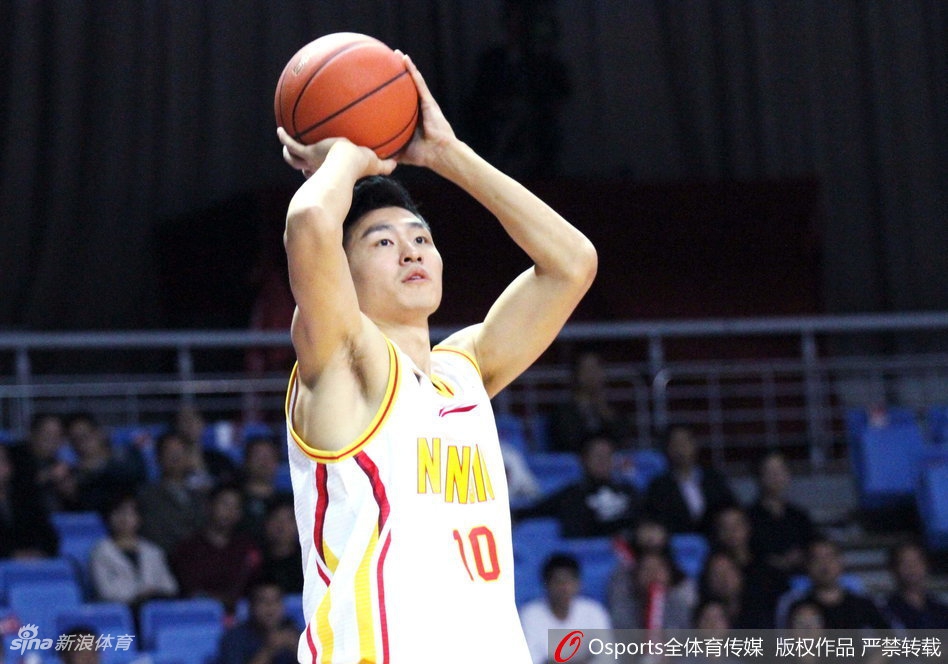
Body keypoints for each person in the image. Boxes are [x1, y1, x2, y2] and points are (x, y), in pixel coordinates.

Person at [277, 50, 596, 663]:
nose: (411, 251)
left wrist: (449, 154)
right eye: (382, 241)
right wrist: (348, 153)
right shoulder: (345, 363)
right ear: (342, 273)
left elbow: (572, 263)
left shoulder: (463, 373)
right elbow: (312, 221)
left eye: (421, 237)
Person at [514, 434, 640, 538]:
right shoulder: (570, 494)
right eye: (597, 456)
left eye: (608, 455)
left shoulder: (629, 491)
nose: (603, 460)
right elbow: (533, 510)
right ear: (584, 459)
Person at [171, 483, 261, 614]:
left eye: (235, 507)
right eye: (225, 504)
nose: (229, 512)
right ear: (209, 506)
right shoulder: (188, 548)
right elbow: (189, 590)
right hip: (199, 614)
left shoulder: (248, 548)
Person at [88, 493, 178, 609]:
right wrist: (138, 594)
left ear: (139, 518)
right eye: (118, 512)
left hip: (154, 608)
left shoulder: (153, 551)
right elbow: (105, 591)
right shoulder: (100, 552)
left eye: (130, 513)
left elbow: (170, 587)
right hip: (120, 610)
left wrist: (153, 593)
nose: (124, 518)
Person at [642, 424, 737, 535]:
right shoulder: (659, 486)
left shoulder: (714, 479)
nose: (681, 449)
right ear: (667, 448)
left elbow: (729, 508)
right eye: (675, 444)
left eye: (685, 442)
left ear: (695, 444)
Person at [519, 554, 611, 664]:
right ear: (546, 584)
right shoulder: (529, 615)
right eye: (558, 582)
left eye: (568, 581)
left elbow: (607, 658)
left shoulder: (594, 612)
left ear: (578, 584)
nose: (563, 588)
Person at [780, 538, 890, 630]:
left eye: (829, 557)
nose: (824, 565)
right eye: (817, 559)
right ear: (807, 565)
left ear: (841, 561)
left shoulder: (863, 604)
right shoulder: (796, 604)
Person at [746, 450, 816, 577]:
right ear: (758, 475)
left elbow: (811, 545)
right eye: (769, 471)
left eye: (780, 470)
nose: (775, 477)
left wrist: (800, 556)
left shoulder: (799, 516)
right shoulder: (747, 517)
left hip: (800, 577)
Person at [137, 431, 207, 555]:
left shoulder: (201, 494)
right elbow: (153, 535)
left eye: (180, 451)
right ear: (158, 458)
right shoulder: (147, 496)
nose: (176, 457)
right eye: (170, 452)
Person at [548, 351, 631, 453]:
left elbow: (623, 439)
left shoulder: (614, 408)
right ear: (576, 375)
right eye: (586, 369)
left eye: (596, 368)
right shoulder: (563, 411)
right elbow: (567, 441)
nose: (591, 375)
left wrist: (604, 412)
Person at [216, 576, 298, 664]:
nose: (271, 609)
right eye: (263, 601)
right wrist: (269, 650)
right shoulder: (234, 638)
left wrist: (298, 648)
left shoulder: (291, 629)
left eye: (276, 601)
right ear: (251, 606)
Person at [607, 548, 692, 629]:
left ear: (669, 575)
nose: (653, 575)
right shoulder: (624, 607)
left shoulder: (679, 605)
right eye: (647, 569)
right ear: (637, 576)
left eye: (659, 569)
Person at [0, 443, 59, 558]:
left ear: (9, 467)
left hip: (32, 563)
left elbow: (49, 537)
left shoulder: (26, 500)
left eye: (2, 460)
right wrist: (11, 555)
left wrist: (38, 553)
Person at [882, 540, 948, 629]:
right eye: (905, 563)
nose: (912, 568)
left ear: (926, 565)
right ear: (893, 568)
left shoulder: (941, 610)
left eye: (916, 562)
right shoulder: (887, 612)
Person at [256, 495, 304, 595]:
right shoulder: (254, 559)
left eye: (288, 520)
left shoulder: (308, 560)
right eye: (276, 518)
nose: (281, 526)